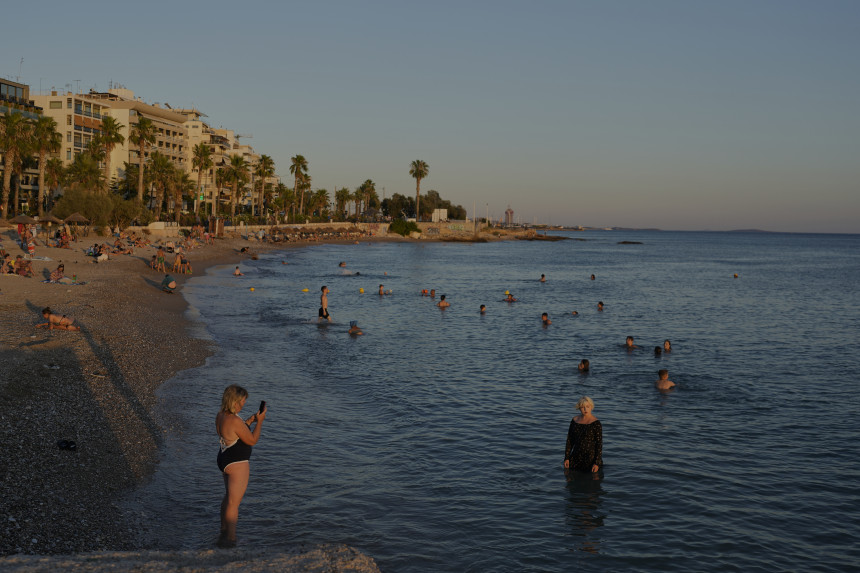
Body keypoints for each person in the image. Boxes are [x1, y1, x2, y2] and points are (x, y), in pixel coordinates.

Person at [215, 384, 266, 548]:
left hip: (224, 458)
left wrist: (250, 420)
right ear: (235, 401)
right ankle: (231, 539)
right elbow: (252, 440)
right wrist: (260, 423)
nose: (244, 403)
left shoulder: (221, 415)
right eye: (243, 400)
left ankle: (224, 530)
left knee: (228, 498)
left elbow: (233, 434)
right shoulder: (235, 420)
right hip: (237, 463)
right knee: (233, 503)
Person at [564, 396, 602, 473]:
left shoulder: (596, 423)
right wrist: (567, 458)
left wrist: (597, 463)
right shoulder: (574, 420)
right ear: (579, 408)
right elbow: (570, 440)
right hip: (575, 458)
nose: (585, 409)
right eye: (582, 407)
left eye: (587, 406)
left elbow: (599, 444)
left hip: (590, 460)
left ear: (591, 407)